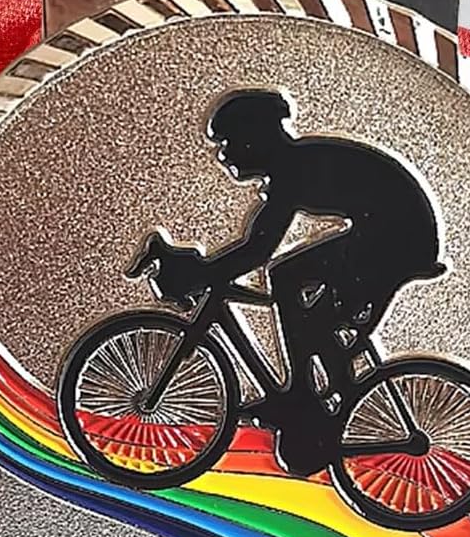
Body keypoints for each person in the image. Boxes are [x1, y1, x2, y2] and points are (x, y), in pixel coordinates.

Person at [153, 88, 447, 472]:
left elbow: (257, 251)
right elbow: (255, 246)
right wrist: (207, 271)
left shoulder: (293, 171)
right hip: (388, 231)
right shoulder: (293, 166)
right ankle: (314, 391)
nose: (223, 154)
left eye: (228, 142)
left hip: (399, 238)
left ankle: (308, 396)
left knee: (289, 279)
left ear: (254, 139)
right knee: (296, 290)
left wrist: (202, 273)